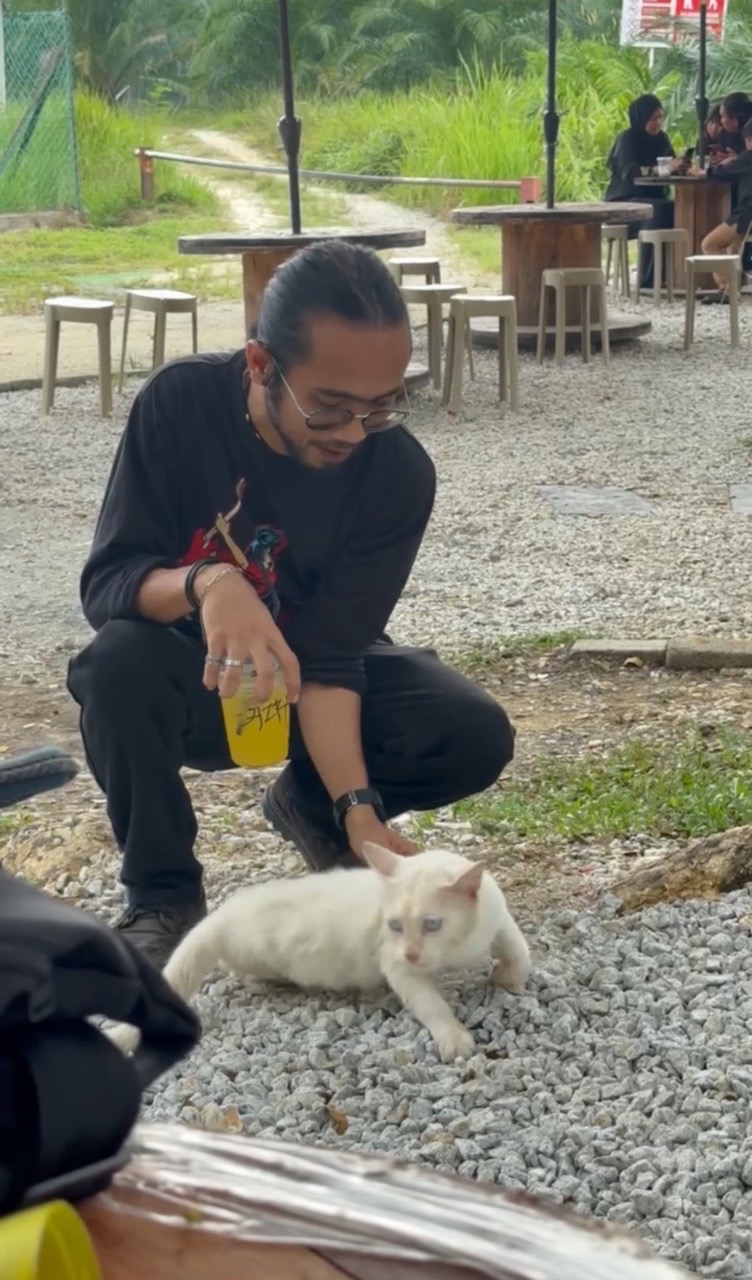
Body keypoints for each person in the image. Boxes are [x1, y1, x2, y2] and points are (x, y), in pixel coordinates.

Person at [67, 241, 515, 970]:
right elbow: (109, 583)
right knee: (114, 664)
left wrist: (357, 810)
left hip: (310, 675)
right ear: (259, 366)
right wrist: (211, 583)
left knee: (469, 729)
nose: (351, 434)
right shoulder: (180, 406)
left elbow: (335, 658)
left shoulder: (397, 471)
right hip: (190, 676)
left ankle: (309, 805)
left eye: (379, 407)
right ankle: (163, 896)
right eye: (329, 407)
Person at [604, 94, 680, 290]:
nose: (658, 123)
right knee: (657, 210)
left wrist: (680, 165)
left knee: (673, 208)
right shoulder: (627, 139)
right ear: (641, 117)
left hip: (655, 198)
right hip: (625, 201)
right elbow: (629, 172)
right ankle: (647, 279)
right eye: (653, 118)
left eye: (660, 118)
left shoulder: (662, 138)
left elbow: (670, 161)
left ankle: (672, 273)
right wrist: (657, 170)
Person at [691, 117, 752, 301]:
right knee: (732, 245)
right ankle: (733, 287)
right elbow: (736, 166)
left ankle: (728, 289)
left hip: (746, 216)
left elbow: (723, 171)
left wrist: (702, 172)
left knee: (710, 244)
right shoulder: (744, 159)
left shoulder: (749, 157)